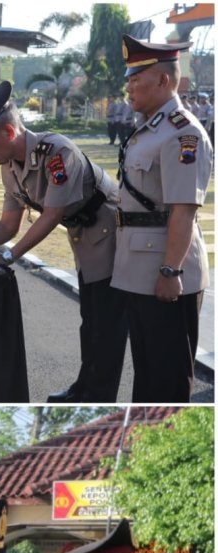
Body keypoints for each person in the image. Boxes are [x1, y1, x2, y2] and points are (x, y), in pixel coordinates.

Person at [0, 80, 127, 403]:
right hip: (84, 234)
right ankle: (83, 387)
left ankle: (97, 395)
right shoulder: (9, 167)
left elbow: (52, 215)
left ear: (9, 132)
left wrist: (10, 256)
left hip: (110, 232)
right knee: (90, 320)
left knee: (106, 322)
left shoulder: (57, 153)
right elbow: (8, 225)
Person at [112, 35, 211, 402]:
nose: (129, 87)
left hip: (165, 273)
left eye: (136, 79)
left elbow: (184, 209)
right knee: (148, 375)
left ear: (163, 80)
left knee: (168, 382)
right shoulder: (151, 128)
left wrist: (171, 271)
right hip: (140, 268)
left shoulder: (183, 133)